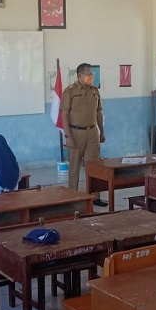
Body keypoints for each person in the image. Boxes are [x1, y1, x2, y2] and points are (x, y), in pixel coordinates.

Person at [61, 63, 107, 207]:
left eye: (91, 74)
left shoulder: (95, 91)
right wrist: (68, 136)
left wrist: (102, 132)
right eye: (88, 73)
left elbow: (99, 112)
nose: (90, 76)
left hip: (92, 131)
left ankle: (95, 197)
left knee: (94, 166)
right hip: (75, 132)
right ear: (80, 75)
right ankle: (73, 197)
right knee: (74, 166)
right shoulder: (70, 91)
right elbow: (64, 114)